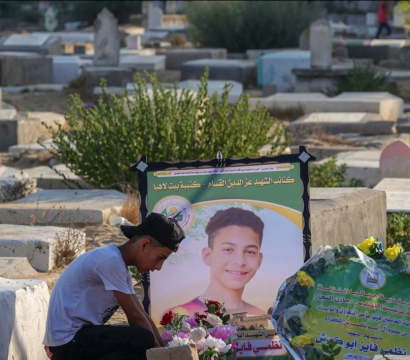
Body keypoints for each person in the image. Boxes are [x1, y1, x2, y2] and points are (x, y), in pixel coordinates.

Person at [43, 212, 185, 360]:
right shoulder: (111, 261)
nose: (159, 267)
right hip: (67, 344)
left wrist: (165, 351)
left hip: (76, 340)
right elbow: (136, 319)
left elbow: (143, 316)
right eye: (160, 258)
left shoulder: (119, 266)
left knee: (142, 340)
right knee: (141, 339)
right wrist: (162, 357)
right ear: (144, 245)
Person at [165, 207, 265, 318]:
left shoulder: (261, 317)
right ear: (208, 255)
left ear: (259, 260)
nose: (240, 261)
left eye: (250, 252)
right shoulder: (177, 317)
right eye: (228, 250)